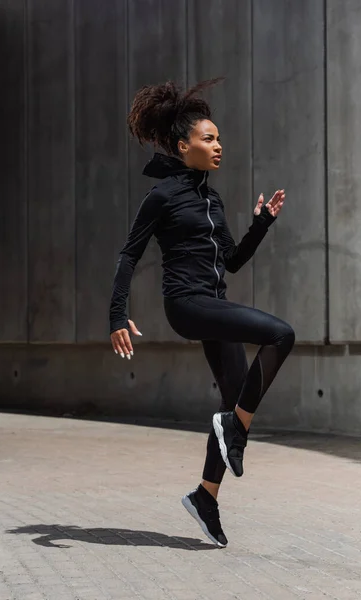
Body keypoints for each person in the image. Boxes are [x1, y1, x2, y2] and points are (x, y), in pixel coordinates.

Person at [109, 79, 295, 548]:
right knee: (281, 335)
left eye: (218, 138)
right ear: (182, 146)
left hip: (215, 303)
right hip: (188, 305)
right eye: (208, 138)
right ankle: (234, 428)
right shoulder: (163, 196)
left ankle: (205, 496)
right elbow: (129, 255)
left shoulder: (211, 200)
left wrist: (261, 224)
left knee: (234, 397)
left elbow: (231, 260)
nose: (218, 146)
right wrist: (117, 315)